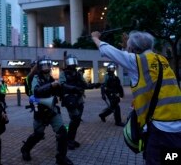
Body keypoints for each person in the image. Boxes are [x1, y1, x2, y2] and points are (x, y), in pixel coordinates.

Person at [91, 30, 181, 165]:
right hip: (177, 127)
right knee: (172, 158)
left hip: (160, 129)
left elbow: (109, 51)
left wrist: (95, 38)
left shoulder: (137, 61)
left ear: (133, 49)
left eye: (129, 48)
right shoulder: (161, 60)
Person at [20, 56, 73, 165]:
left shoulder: (51, 78)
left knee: (62, 132)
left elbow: (59, 90)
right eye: (44, 65)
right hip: (40, 111)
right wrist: (51, 85)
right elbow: (37, 92)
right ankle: (25, 149)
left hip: (52, 110)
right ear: (39, 67)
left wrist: (67, 90)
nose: (47, 67)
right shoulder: (36, 78)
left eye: (48, 64)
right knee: (38, 134)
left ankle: (61, 158)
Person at [59, 54, 87, 150]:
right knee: (75, 119)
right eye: (71, 61)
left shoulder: (78, 73)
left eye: (74, 61)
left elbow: (84, 84)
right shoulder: (63, 74)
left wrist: (95, 85)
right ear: (67, 63)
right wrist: (74, 88)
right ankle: (68, 140)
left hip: (79, 99)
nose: (73, 64)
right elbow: (62, 85)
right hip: (70, 99)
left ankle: (70, 139)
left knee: (76, 121)